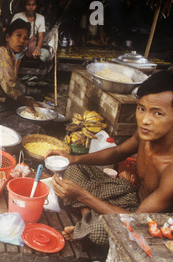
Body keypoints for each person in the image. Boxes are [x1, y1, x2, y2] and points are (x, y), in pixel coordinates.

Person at [46, 71, 173, 247]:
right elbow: (118, 151)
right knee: (72, 168)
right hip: (129, 196)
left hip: (148, 223)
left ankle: (88, 219)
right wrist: (74, 158)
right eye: (141, 109)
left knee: (99, 233)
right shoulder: (145, 135)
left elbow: (136, 220)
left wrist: (82, 196)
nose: (145, 120)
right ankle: (87, 217)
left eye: (157, 114)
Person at [0, 19, 43, 139]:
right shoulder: (3, 55)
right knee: (37, 130)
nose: (22, 41)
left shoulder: (6, 52)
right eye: (18, 35)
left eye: (26, 38)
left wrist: (28, 101)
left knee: (29, 102)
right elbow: (10, 89)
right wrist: (28, 103)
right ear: (7, 37)